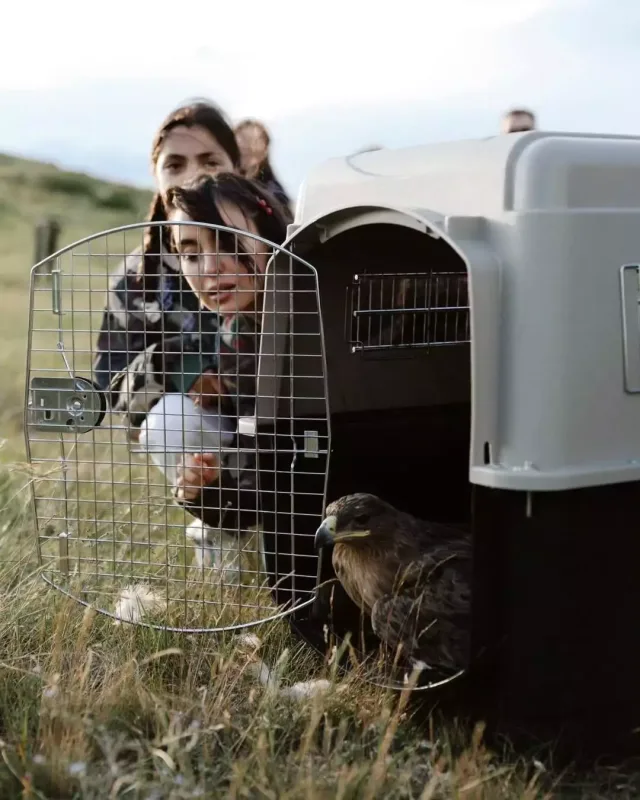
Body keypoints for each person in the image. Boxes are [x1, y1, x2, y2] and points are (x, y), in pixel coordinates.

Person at [103, 174, 291, 575]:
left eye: (228, 242)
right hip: (274, 489)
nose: (209, 269)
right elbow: (118, 391)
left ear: (274, 235)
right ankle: (232, 563)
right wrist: (201, 492)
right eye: (190, 254)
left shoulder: (310, 318)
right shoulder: (232, 330)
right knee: (170, 420)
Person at [93, 99, 244, 393]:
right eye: (175, 165)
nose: (192, 177)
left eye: (210, 162)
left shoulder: (269, 258)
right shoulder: (134, 280)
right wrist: (183, 376)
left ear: (236, 170)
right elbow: (109, 384)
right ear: (156, 175)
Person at [234, 118, 291, 208]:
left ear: (264, 150)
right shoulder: (223, 183)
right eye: (243, 138)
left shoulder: (275, 194)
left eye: (252, 140)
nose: (245, 145)